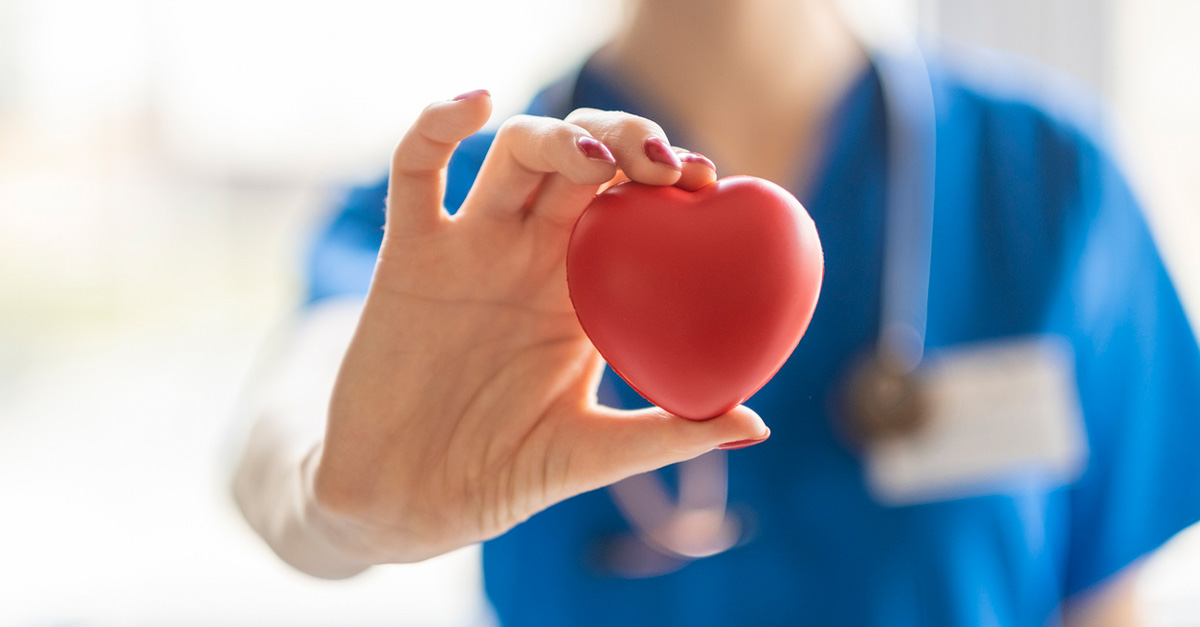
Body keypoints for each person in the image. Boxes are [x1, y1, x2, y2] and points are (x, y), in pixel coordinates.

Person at [231, 1, 1200, 625]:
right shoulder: (450, 215)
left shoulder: (1050, 184)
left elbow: (1101, 599)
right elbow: (287, 435)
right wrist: (343, 508)